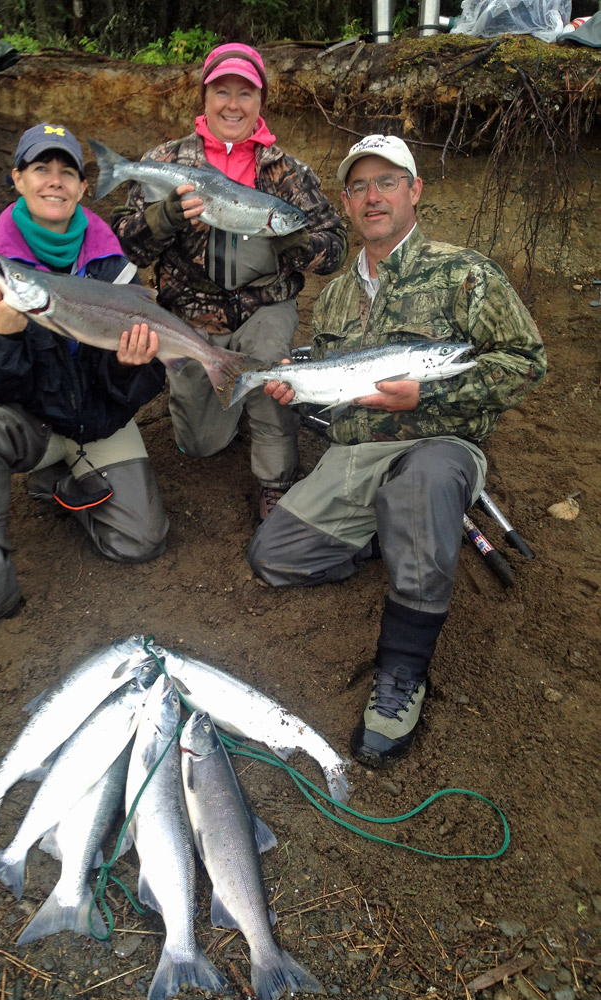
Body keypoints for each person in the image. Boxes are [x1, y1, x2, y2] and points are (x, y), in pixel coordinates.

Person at [247, 133, 547, 767]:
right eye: (359, 186)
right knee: (274, 556)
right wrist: (293, 386)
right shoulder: (330, 298)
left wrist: (427, 402)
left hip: (438, 444)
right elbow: (334, 394)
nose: (373, 196)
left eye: (388, 182)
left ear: (415, 192)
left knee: (425, 483)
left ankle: (401, 675)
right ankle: (403, 531)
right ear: (348, 204)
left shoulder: (464, 272)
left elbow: (526, 362)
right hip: (355, 455)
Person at [0, 122, 169, 657]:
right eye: (41, 169)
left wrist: (128, 368)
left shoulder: (116, 269)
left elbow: (148, 381)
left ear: (83, 188)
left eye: (67, 172)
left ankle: (61, 482)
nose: (54, 182)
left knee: (141, 542)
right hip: (32, 426)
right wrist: (1, 337)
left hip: (100, 424)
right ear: (18, 179)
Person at [111, 43, 348, 522]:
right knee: (199, 444)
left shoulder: (287, 172)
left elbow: (337, 246)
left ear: (261, 101)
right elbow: (125, 250)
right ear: (205, 96)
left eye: (246, 93)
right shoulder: (166, 160)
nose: (233, 104)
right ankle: (225, 408)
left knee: (266, 370)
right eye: (223, 91)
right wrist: (164, 219)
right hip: (190, 315)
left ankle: (276, 482)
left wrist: (298, 246)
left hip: (264, 306)